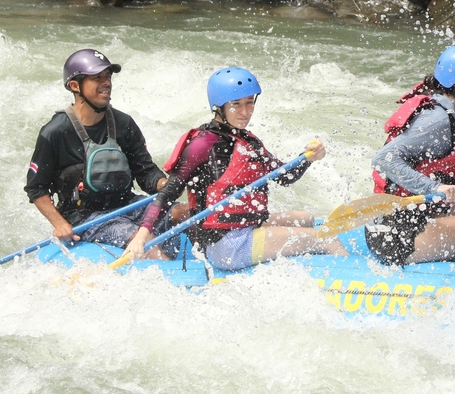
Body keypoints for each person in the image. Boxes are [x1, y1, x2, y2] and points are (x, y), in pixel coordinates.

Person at [124, 67, 348, 267]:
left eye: (249, 102)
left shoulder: (248, 141)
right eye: (236, 105)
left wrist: (307, 157)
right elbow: (169, 192)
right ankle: (355, 280)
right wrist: (141, 237)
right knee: (327, 238)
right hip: (225, 245)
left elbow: (283, 177)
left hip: (244, 227)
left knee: (306, 217)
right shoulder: (202, 145)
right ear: (219, 107)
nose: (245, 112)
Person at [366, 45, 455, 266]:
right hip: (396, 233)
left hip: (421, 215)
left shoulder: (453, 112)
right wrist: (434, 189)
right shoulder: (437, 119)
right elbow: (384, 160)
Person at [24, 49, 172, 257]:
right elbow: (36, 188)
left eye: (108, 76)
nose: (106, 83)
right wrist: (60, 224)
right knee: (145, 242)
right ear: (75, 86)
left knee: (181, 212)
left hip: (126, 204)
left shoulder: (124, 123)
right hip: (85, 217)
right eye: (97, 78)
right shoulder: (55, 132)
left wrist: (165, 185)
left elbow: (145, 172)